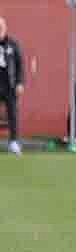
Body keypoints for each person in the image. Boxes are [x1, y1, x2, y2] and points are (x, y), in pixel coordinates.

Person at [0, 17, 24, 155]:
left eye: (1, 27)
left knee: (12, 113)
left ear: (5, 28)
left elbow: (20, 65)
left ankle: (14, 142)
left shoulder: (13, 44)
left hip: (9, 84)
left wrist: (20, 83)